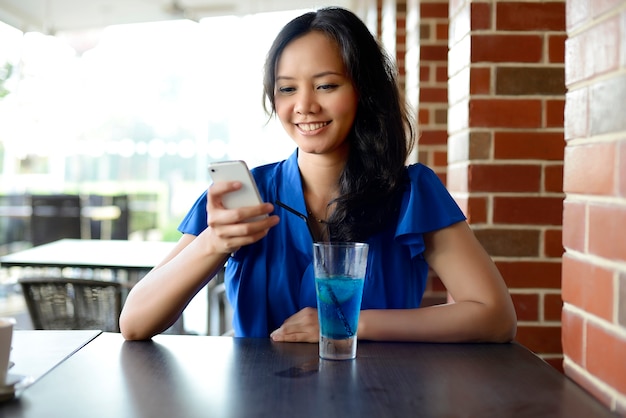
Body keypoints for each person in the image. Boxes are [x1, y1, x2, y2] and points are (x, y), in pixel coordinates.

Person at [119, 7, 517, 343]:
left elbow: (496, 316)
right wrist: (214, 244)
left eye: (326, 85)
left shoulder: (411, 191)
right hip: (259, 401)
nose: (305, 105)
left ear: (364, 91)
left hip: (382, 398)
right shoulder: (245, 194)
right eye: (287, 89)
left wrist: (345, 323)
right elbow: (134, 322)